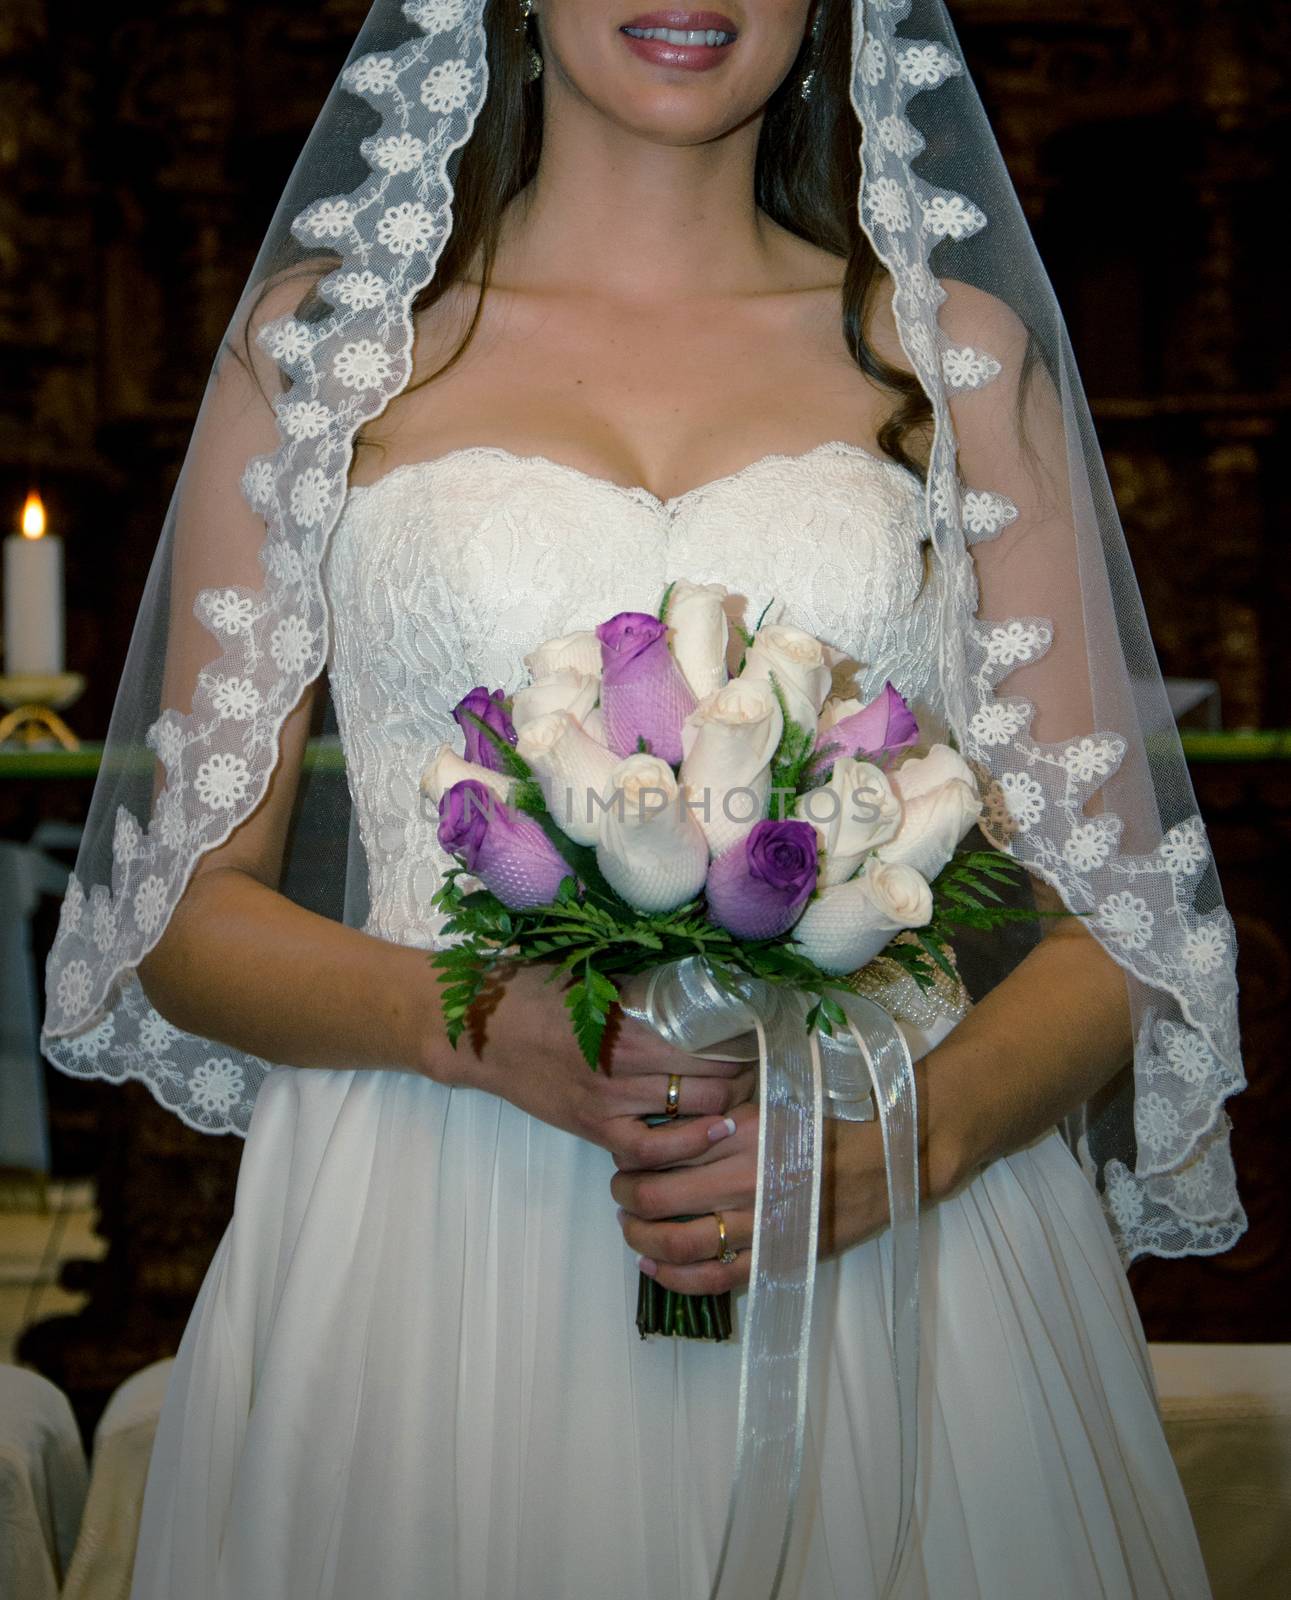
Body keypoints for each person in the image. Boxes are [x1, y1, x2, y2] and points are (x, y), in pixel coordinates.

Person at [39, 2, 1246, 1595]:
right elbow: (183, 921)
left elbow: (1134, 933)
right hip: (432, 1236)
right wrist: (465, 1021)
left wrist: (913, 1144)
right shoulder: (319, 357)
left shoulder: (953, 356)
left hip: (891, 1248)